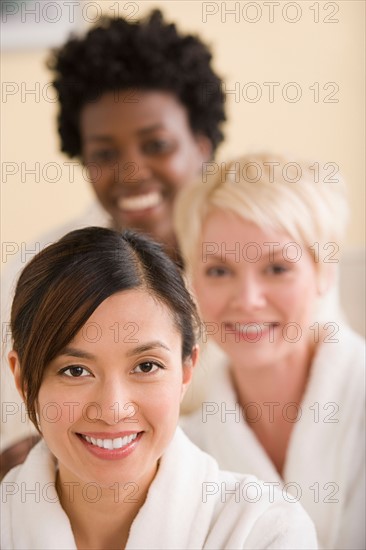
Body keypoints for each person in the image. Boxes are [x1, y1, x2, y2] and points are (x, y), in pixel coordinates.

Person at [1, 9, 225, 468]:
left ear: (201, 143)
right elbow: (21, 437)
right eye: (104, 153)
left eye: (156, 145)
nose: (131, 173)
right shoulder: (39, 271)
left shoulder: (261, 256)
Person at [1, 227, 317, 550]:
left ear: (185, 371)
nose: (113, 409)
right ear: (24, 381)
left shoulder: (264, 531)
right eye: (76, 370)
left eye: (146, 366)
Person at [175, 154, 365, 550]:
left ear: (324, 273)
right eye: (219, 271)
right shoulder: (187, 448)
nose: (247, 300)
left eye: (277, 268)